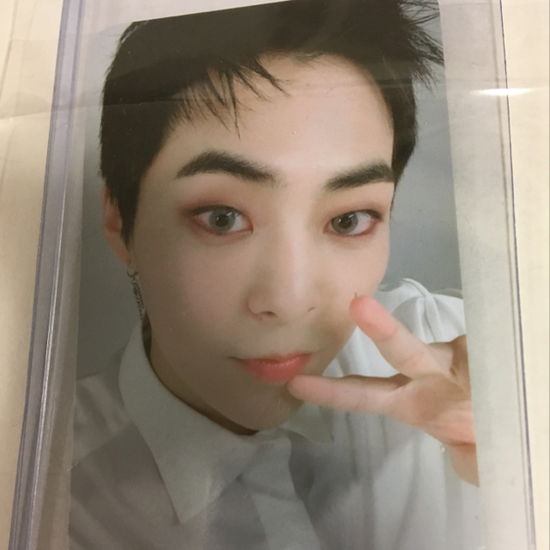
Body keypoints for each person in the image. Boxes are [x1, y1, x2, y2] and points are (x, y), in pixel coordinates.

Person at [70, 1, 481, 548]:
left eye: (348, 220)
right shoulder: (44, 485)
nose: (288, 301)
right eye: (222, 218)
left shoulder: (475, 361)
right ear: (121, 221)